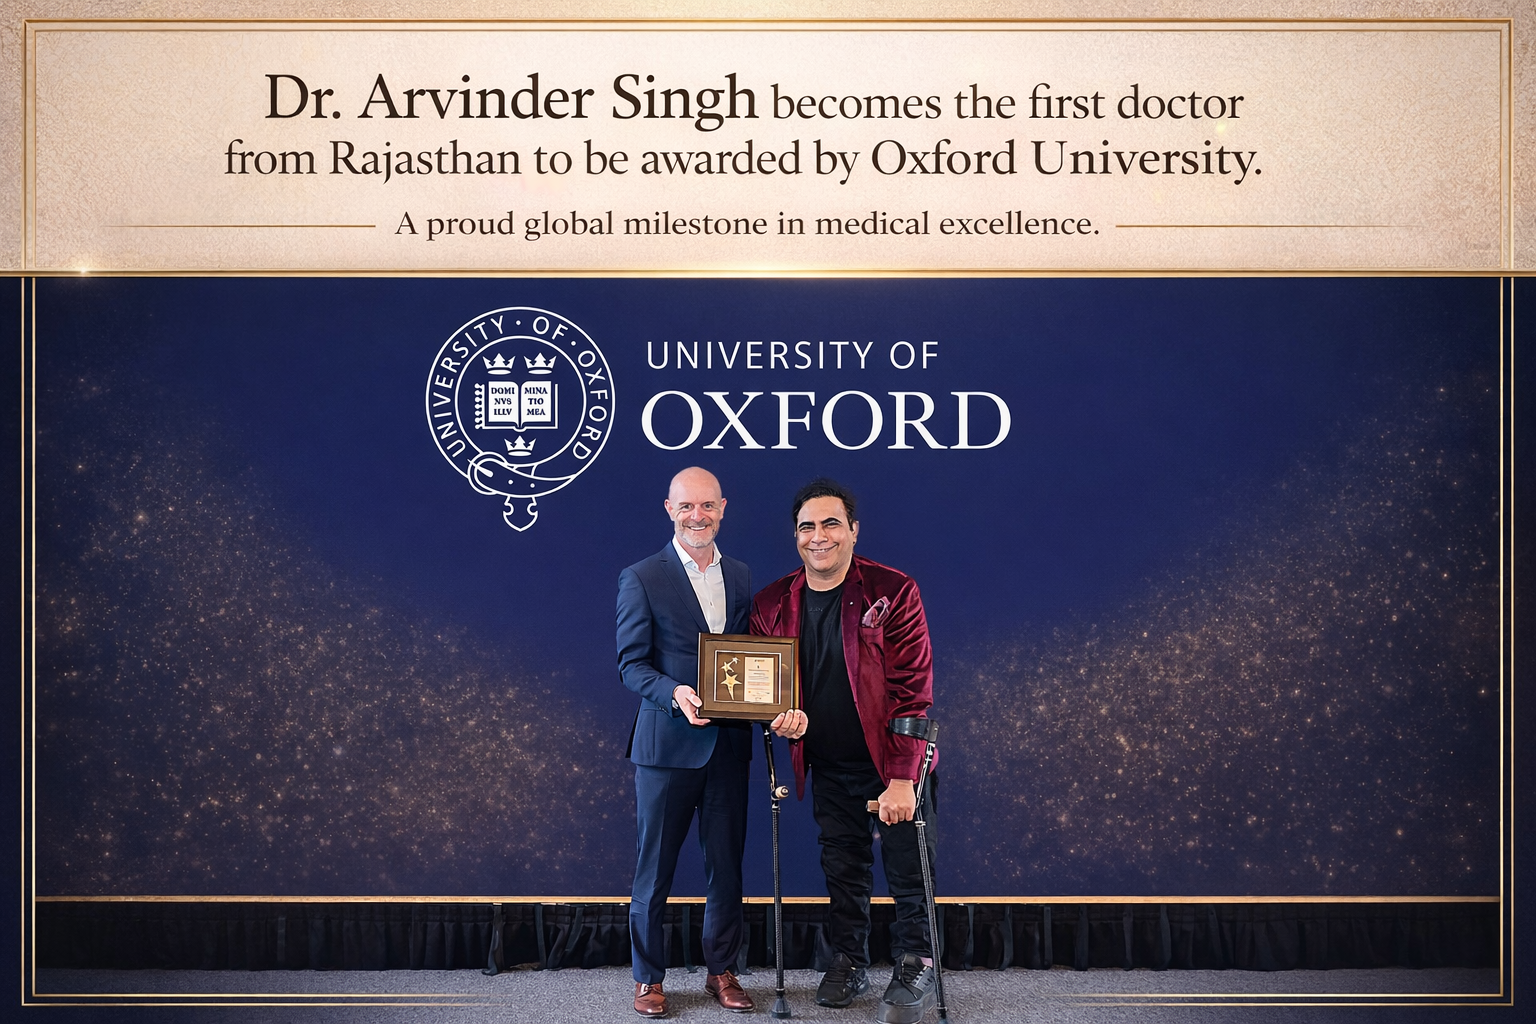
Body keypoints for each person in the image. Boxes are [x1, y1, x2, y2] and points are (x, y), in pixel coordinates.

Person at [617, 467, 807, 1018]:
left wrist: (777, 703)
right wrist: (672, 691)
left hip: (728, 746)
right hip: (664, 749)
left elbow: (753, 659)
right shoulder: (642, 576)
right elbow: (631, 665)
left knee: (726, 866)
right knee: (654, 869)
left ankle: (721, 972)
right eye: (685, 507)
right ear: (668, 509)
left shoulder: (743, 576)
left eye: (707, 506)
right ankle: (648, 979)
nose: (696, 516)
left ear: (723, 508)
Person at [749, 479, 938, 1024]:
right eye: (807, 526)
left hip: (892, 762)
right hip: (828, 760)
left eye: (831, 523)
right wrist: (778, 717)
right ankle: (849, 960)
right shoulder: (770, 603)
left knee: (908, 868)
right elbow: (765, 689)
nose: (819, 536)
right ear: (796, 536)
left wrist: (903, 778)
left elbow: (913, 691)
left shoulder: (893, 590)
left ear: (854, 530)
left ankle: (916, 962)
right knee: (843, 867)